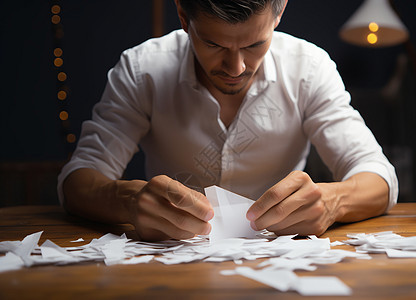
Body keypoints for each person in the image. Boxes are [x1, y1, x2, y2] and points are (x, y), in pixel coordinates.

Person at [58, 0, 398, 242]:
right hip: (170, 273)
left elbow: (377, 176)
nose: (236, 68)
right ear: (182, 15)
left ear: (279, 11)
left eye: (255, 44)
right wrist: (127, 201)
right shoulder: (141, 69)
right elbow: (78, 180)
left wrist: (332, 202)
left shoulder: (310, 69)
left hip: (282, 267)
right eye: (213, 44)